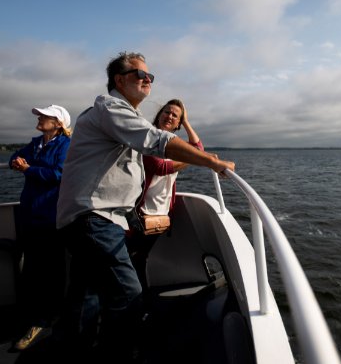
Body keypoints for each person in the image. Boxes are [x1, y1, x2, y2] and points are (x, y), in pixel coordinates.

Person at [54, 52, 235, 361]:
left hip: (89, 218)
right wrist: (213, 163)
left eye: (151, 77)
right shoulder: (111, 108)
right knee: (128, 295)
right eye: (141, 75)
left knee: (87, 296)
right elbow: (157, 141)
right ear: (120, 80)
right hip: (94, 218)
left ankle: (76, 352)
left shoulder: (118, 115)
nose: (148, 80)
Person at [9, 104, 72, 351]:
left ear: (58, 122)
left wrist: (29, 169)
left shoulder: (65, 145)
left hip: (51, 214)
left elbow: (59, 173)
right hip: (29, 213)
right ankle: (32, 317)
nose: (40, 118)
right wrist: (16, 162)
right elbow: (15, 156)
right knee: (31, 268)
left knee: (50, 269)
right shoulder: (37, 142)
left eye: (45, 116)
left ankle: (46, 319)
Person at [127, 99, 203, 298]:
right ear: (159, 115)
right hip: (140, 213)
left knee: (140, 258)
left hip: (161, 214)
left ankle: (138, 303)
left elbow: (198, 148)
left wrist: (186, 122)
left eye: (175, 115)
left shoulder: (174, 145)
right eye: (167, 112)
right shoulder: (147, 139)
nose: (169, 116)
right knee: (133, 260)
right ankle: (134, 304)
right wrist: (192, 158)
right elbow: (160, 168)